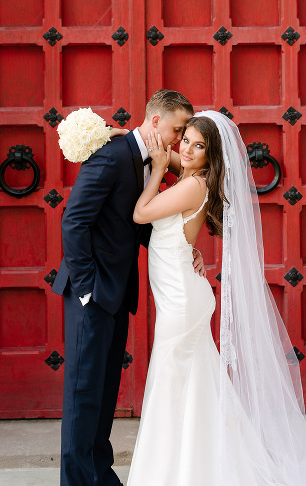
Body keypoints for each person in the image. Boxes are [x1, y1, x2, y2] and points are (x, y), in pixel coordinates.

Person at [128, 111, 306, 485]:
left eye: (197, 145)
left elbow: (141, 213)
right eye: (184, 139)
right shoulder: (190, 170)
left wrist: (156, 171)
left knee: (171, 382)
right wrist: (114, 135)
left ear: (210, 154)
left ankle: (175, 471)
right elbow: (161, 152)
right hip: (182, 290)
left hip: (182, 300)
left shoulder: (193, 183)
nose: (186, 149)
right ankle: (197, 465)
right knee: (194, 385)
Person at [51, 90, 202, 486]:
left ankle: (99, 474)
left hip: (117, 291)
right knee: (84, 394)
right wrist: (86, 290)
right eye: (177, 129)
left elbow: (136, 223)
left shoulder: (144, 156)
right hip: (93, 293)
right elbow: (74, 223)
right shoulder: (111, 156)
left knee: (102, 392)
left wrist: (186, 250)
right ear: (155, 122)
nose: (179, 138)